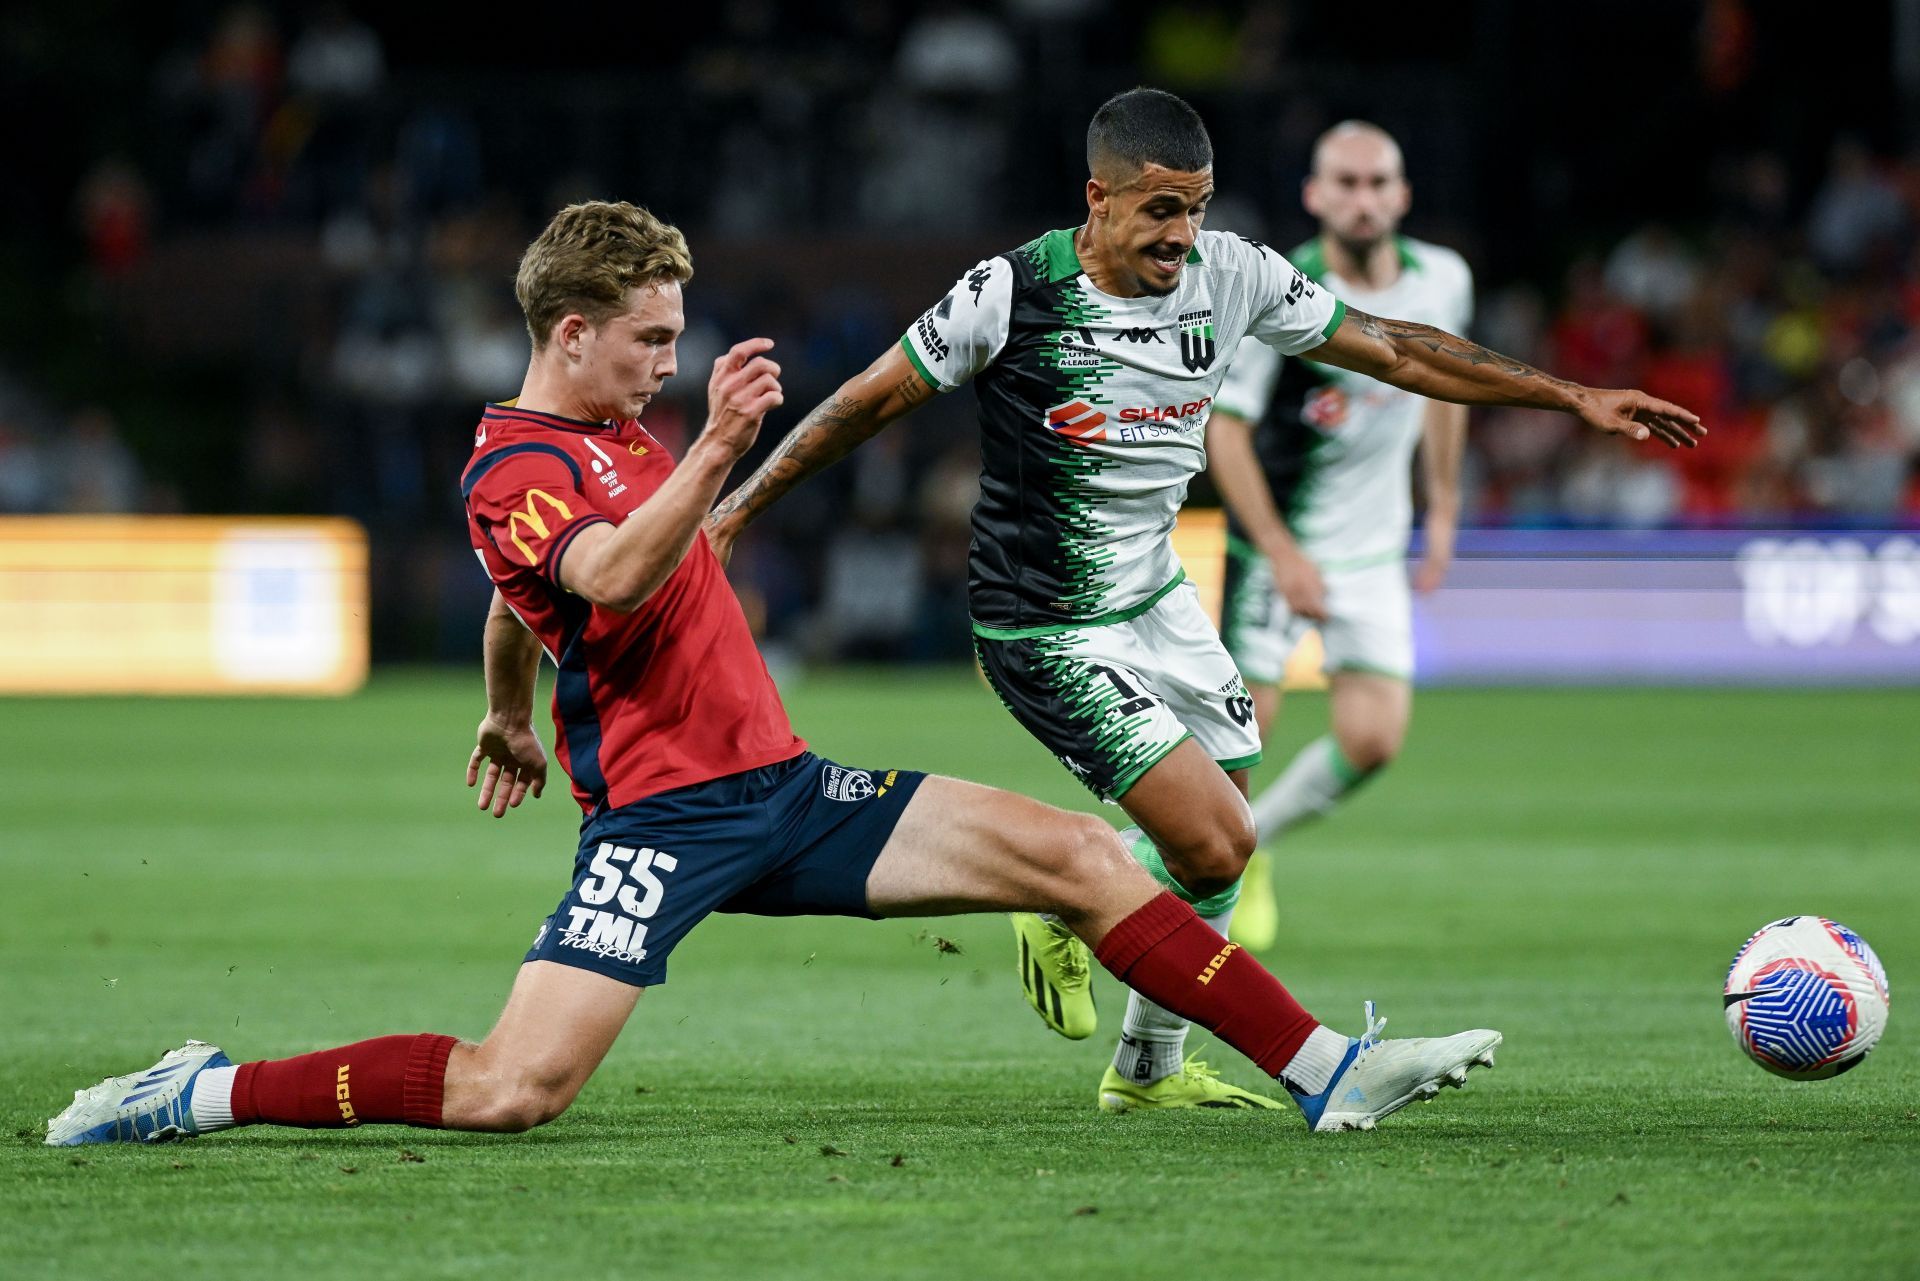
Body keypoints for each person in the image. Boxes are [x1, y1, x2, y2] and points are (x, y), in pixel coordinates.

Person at [44, 200, 1506, 1147]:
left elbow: (527, 600)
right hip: (666, 820)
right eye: (649, 341)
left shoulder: (614, 441)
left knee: (1079, 856)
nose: (669, 366)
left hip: (789, 788)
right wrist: (723, 452)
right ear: (571, 333)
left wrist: (505, 706)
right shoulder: (521, 460)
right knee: (512, 1090)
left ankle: (1324, 1071)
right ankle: (203, 1088)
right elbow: (599, 572)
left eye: (679, 343)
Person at [704, 88, 1700, 1113]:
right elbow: (868, 399)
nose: (1184, 236)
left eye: (1199, 208)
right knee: (1218, 840)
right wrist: (737, 509)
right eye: (1161, 210)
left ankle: (1144, 1066)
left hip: (1160, 599)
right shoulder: (1011, 294)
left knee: (1222, 834)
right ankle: (1090, 913)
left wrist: (1570, 394)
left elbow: (1396, 349)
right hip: (1045, 626)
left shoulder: (1236, 275)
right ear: (1098, 198)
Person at [1207, 121, 1473, 952]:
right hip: (1277, 548)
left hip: (1373, 550)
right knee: (1234, 757)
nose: (1362, 200)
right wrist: (1281, 552)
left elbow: (1445, 390)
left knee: (1372, 738)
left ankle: (1256, 852)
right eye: (1344, 184)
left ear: (1401, 194)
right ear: (1315, 196)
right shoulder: (1281, 294)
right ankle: (1160, 890)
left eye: (1377, 183)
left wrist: (1444, 507)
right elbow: (1227, 432)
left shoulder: (1444, 281)